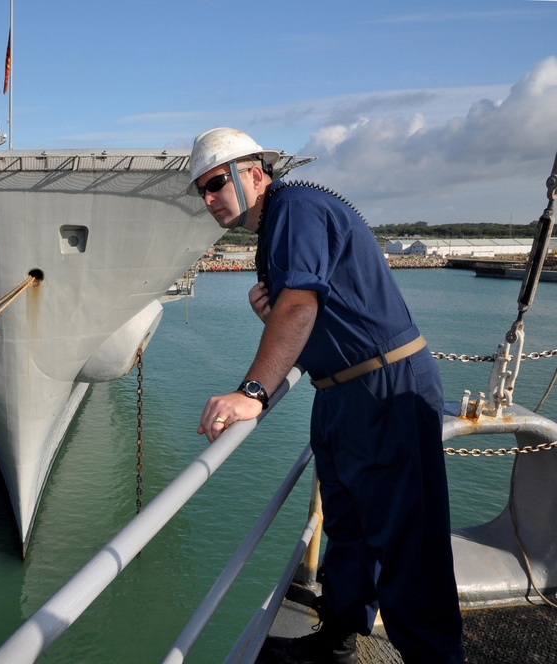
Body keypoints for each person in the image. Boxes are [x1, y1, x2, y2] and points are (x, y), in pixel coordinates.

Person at [189, 128, 464, 663]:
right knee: (347, 528)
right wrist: (282, 318)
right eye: (201, 189)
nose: (208, 199)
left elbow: (301, 305)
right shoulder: (277, 225)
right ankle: (336, 641)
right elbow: (313, 308)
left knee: (408, 547)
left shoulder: (294, 207)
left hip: (383, 389)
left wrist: (252, 393)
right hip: (338, 392)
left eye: (216, 182)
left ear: (255, 174)